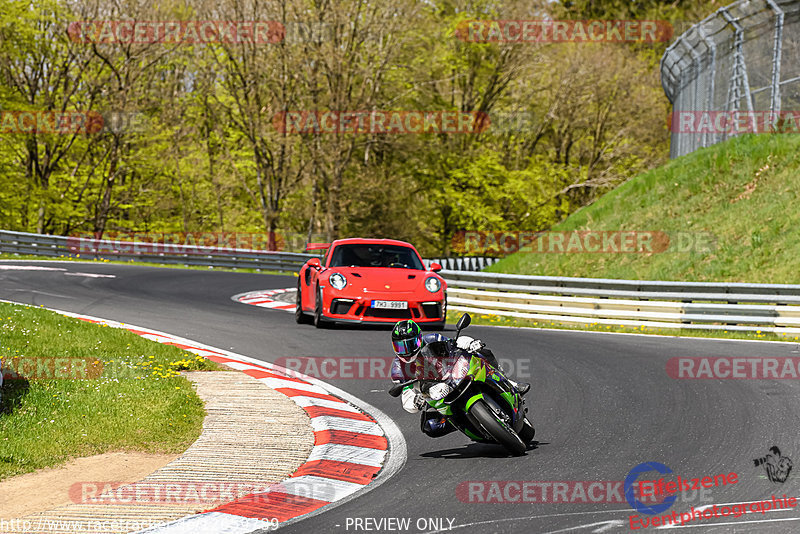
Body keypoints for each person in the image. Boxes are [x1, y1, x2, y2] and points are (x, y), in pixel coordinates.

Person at [390, 319, 530, 438]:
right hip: (432, 392)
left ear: (419, 339)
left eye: (409, 344)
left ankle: (510, 382)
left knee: (481, 352)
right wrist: (415, 401)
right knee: (430, 427)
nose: (405, 350)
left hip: (451, 373)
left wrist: (469, 343)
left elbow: (454, 344)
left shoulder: (432, 339)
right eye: (400, 346)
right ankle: (463, 423)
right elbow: (405, 393)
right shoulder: (398, 369)